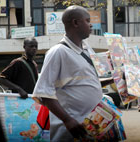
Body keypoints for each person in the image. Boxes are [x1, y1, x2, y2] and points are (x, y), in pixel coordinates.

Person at [32, 5, 112, 142]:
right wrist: (67, 120)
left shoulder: (87, 50)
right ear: (75, 23)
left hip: (93, 128)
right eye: (87, 20)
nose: (91, 25)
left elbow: (86, 83)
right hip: (72, 130)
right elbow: (43, 93)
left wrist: (114, 80)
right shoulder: (58, 52)